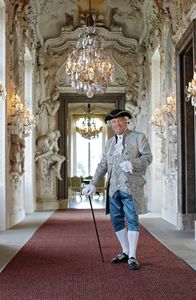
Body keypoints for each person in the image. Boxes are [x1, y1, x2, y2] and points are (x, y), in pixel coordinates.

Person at [82, 109, 152, 270]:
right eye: (113, 122)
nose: (117, 124)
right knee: (116, 221)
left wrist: (133, 164)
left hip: (130, 187)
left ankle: (133, 256)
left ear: (126, 121)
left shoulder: (138, 137)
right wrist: (93, 183)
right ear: (110, 125)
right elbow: (103, 165)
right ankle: (126, 252)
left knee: (132, 220)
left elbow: (148, 157)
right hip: (113, 188)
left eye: (119, 120)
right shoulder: (109, 143)